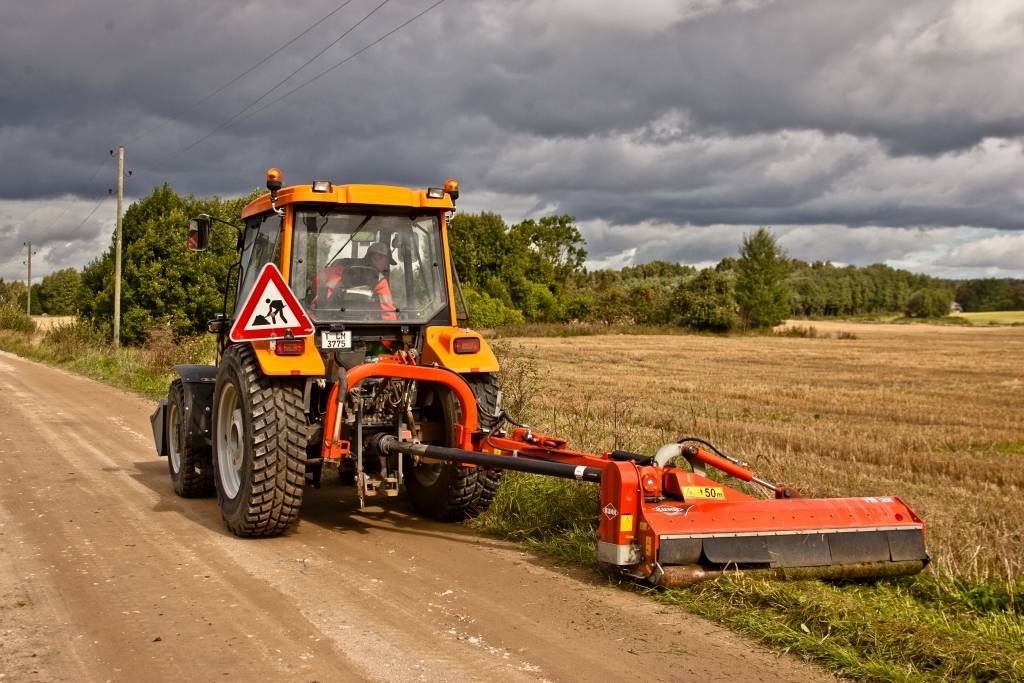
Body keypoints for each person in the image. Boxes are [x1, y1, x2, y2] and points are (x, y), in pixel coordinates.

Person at [310, 241, 397, 320]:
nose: (386, 267)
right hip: (363, 326)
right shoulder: (379, 280)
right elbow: (388, 313)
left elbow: (315, 283)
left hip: (322, 320)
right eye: (386, 262)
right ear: (376, 257)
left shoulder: (338, 267)